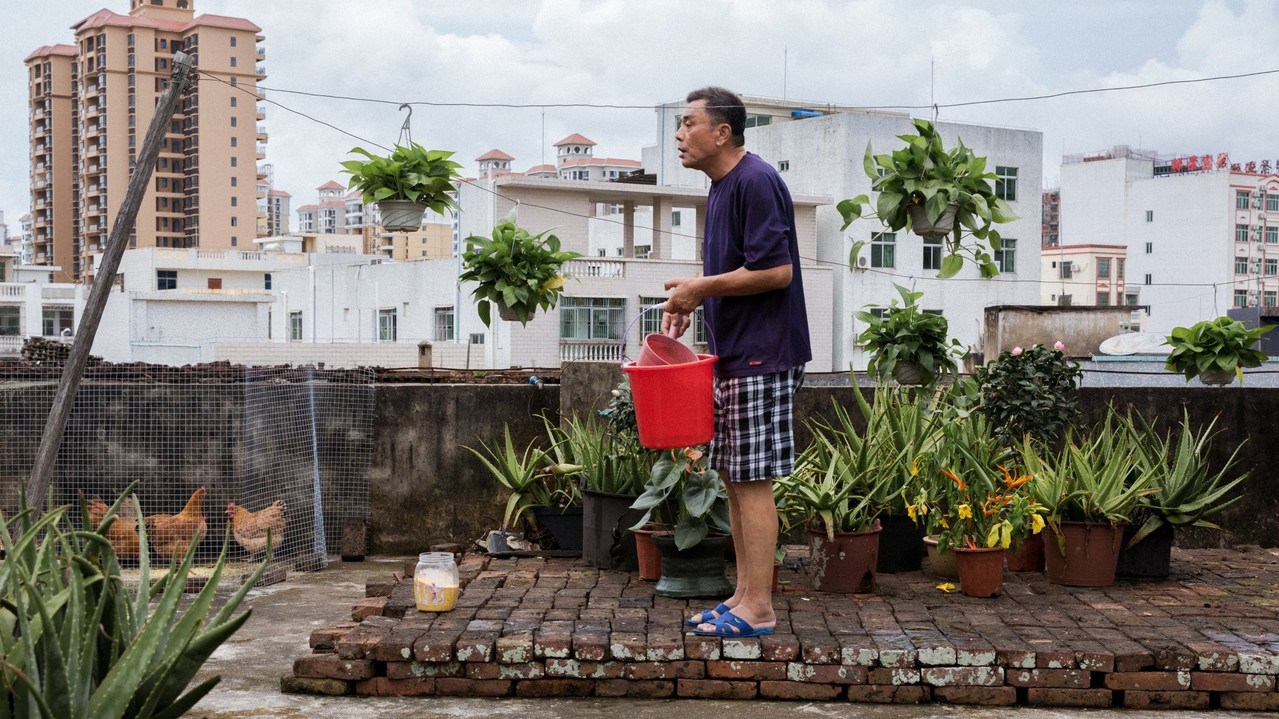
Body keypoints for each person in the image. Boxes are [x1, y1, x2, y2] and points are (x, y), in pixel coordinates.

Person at [663, 87, 811, 638]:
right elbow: (735, 275)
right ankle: (744, 596)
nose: (679, 134)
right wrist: (690, 300)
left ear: (721, 132)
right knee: (733, 474)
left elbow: (777, 272)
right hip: (738, 351)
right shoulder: (723, 187)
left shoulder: (754, 180)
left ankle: (760, 609)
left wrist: (701, 289)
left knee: (752, 481)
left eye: (688, 123)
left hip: (764, 352)